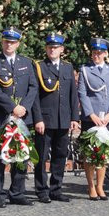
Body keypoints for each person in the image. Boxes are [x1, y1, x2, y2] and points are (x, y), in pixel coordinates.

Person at [0, 26, 38, 208]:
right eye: (6, 41)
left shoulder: (26, 62)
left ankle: (17, 192)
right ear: (2, 42)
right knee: (0, 157)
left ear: (18, 44)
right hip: (2, 117)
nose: (9, 44)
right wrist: (12, 107)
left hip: (22, 117)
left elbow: (33, 87)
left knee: (22, 155)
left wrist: (23, 107)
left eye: (13, 42)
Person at [32, 33, 80, 204]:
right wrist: (37, 119)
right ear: (46, 48)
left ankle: (56, 189)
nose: (52, 50)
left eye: (56, 47)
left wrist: (75, 117)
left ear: (62, 49)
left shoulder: (67, 67)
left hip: (63, 119)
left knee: (60, 156)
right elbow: (34, 96)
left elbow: (72, 95)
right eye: (50, 47)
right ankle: (41, 190)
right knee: (41, 156)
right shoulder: (38, 67)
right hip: (45, 121)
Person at [78, 38, 109, 201]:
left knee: (103, 154)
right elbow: (82, 93)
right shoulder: (85, 70)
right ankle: (90, 186)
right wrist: (91, 115)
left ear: (105, 54)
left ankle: (100, 186)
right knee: (90, 154)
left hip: (107, 119)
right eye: (94, 52)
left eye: (99, 53)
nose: (96, 55)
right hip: (92, 118)